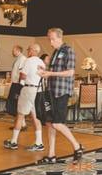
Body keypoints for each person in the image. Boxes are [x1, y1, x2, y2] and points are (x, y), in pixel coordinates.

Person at [36, 28, 84, 165]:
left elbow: (70, 72)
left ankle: (77, 146)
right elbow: (55, 71)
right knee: (50, 123)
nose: (50, 43)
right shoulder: (56, 52)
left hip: (62, 92)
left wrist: (50, 74)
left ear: (59, 37)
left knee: (57, 123)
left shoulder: (69, 50)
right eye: (49, 39)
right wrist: (45, 72)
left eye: (52, 39)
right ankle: (51, 155)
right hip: (52, 91)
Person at [4, 44, 45, 151]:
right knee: (36, 117)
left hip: (28, 89)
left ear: (32, 51)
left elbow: (23, 75)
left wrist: (21, 81)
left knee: (20, 115)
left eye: (28, 49)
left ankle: (13, 141)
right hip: (38, 90)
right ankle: (39, 142)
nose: (27, 51)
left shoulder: (28, 61)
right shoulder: (41, 62)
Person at [8, 45, 27, 131]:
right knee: (14, 103)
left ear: (18, 50)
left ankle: (22, 124)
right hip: (15, 83)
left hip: (18, 85)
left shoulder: (22, 59)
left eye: (14, 50)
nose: (12, 52)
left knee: (17, 103)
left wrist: (20, 86)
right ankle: (18, 124)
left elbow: (21, 73)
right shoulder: (18, 58)